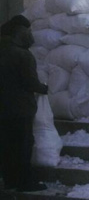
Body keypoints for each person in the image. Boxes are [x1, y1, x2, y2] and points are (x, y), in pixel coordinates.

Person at [0, 15, 48, 191]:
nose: (31, 35)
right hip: (20, 109)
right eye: (28, 31)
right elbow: (30, 82)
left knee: (6, 146)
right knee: (23, 145)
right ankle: (25, 182)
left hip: (3, 109)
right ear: (20, 33)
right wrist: (44, 89)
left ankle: (10, 180)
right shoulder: (22, 55)